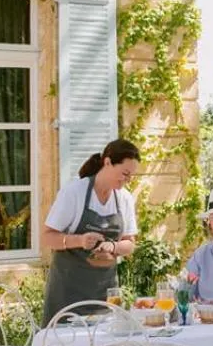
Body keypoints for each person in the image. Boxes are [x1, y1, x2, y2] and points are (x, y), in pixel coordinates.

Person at [39, 139, 141, 325]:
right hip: (67, 296)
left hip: (105, 296)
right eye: (124, 174)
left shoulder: (124, 199)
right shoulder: (74, 192)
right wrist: (79, 240)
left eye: (131, 176)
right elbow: (46, 237)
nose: (127, 180)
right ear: (108, 162)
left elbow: (130, 244)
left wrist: (113, 246)